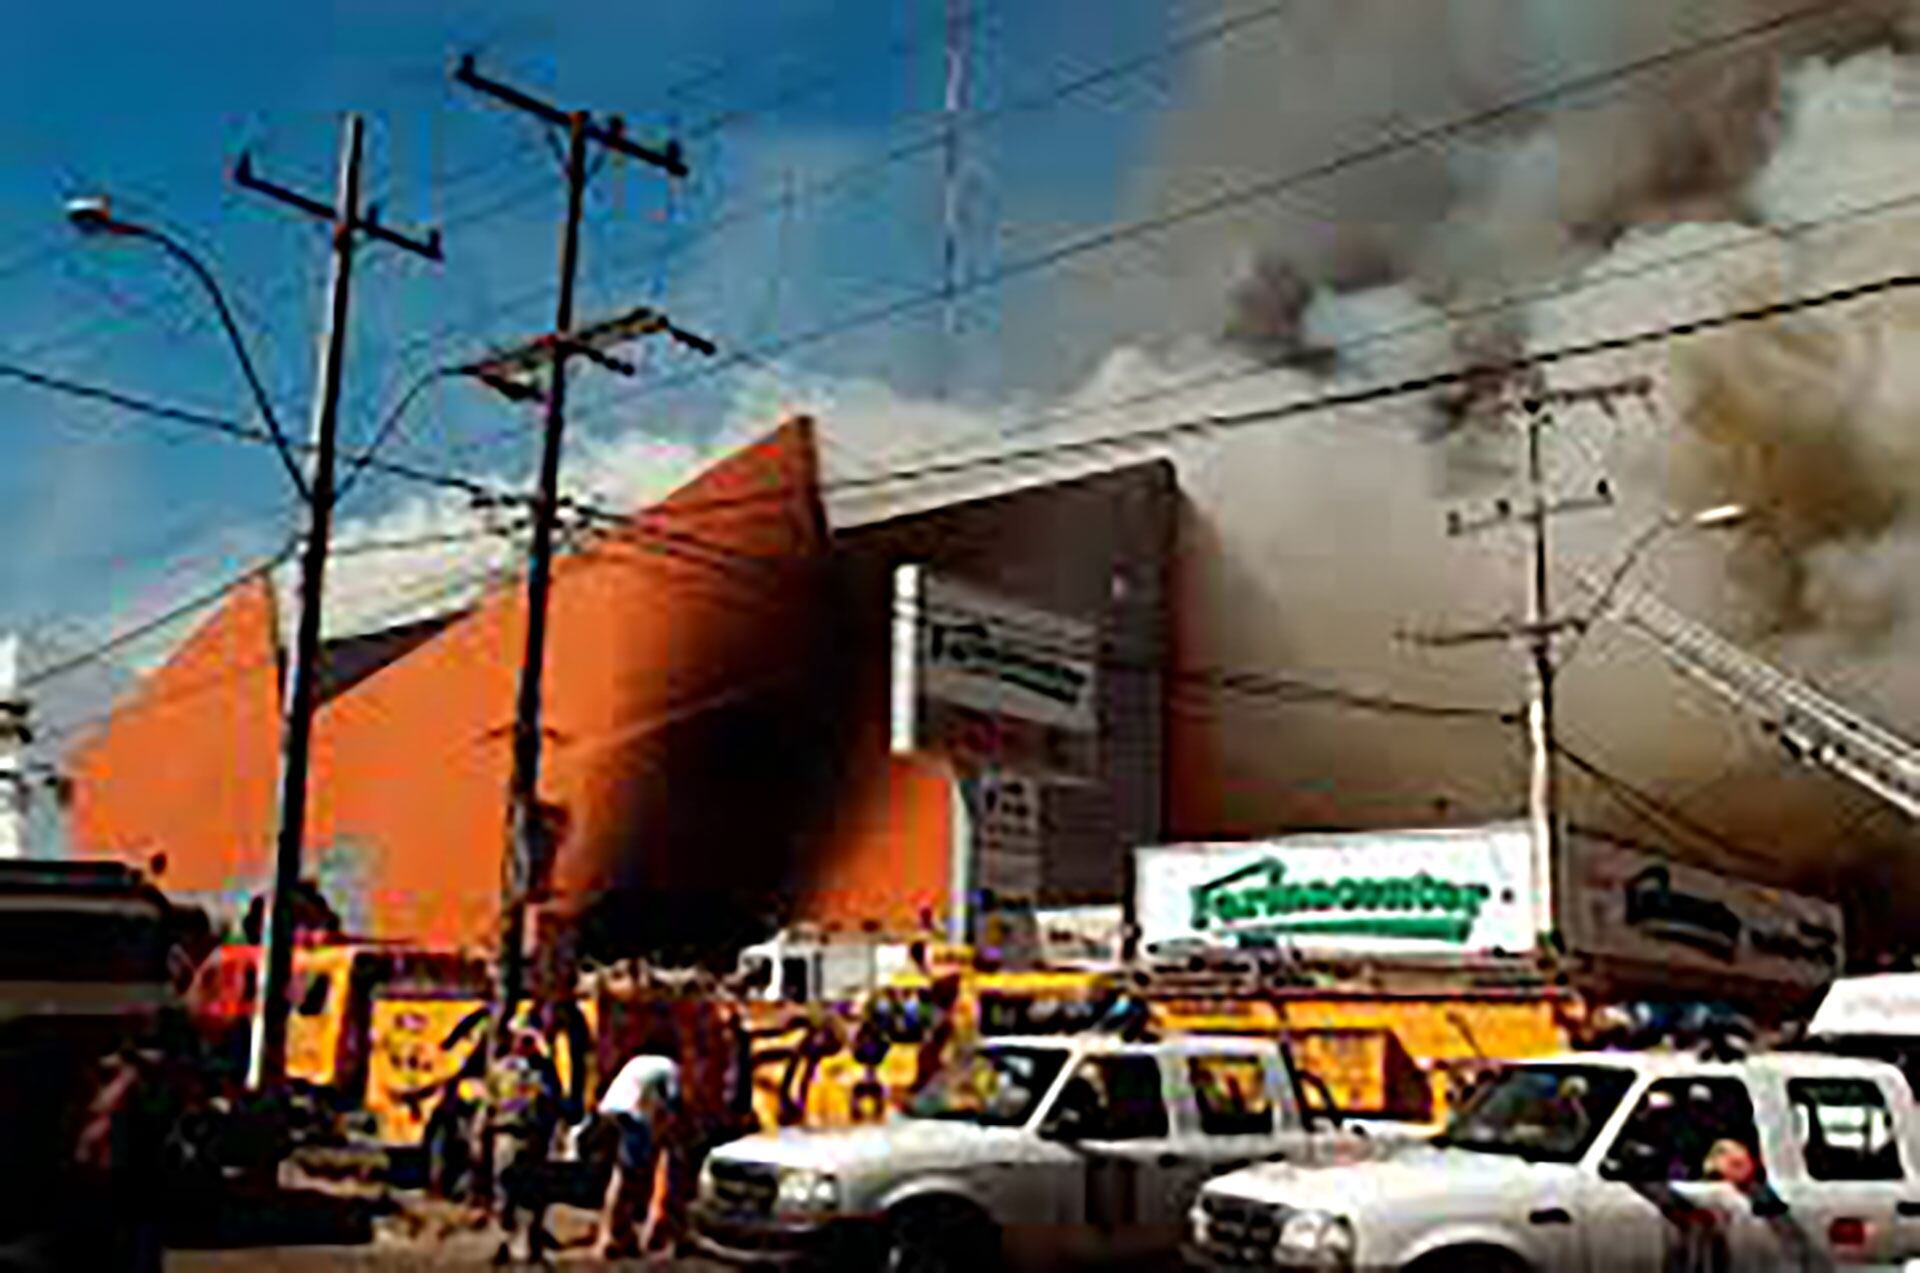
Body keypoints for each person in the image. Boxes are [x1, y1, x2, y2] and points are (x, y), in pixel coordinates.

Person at [596, 1040, 684, 1260]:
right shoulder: (669, 1067)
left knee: (620, 1173)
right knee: (629, 1175)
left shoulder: (638, 1062)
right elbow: (673, 1104)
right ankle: (615, 1234)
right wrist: (670, 1136)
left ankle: (617, 1231)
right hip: (632, 1118)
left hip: (609, 1113)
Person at [485, 1028, 561, 1265]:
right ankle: (503, 1239)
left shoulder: (545, 1071)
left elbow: (554, 1102)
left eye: (529, 1041)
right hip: (507, 1132)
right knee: (505, 1187)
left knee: (533, 1192)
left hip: (535, 1136)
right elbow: (490, 1102)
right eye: (521, 1040)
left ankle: (530, 1241)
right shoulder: (500, 1070)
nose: (525, 1045)